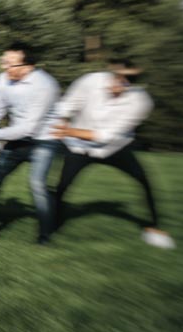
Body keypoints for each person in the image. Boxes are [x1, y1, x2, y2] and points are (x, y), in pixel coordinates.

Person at [51, 60, 174, 249]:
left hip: (115, 147)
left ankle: (154, 227)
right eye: (118, 77)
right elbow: (66, 105)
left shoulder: (141, 102)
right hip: (78, 146)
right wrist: (63, 121)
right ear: (112, 72)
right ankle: (52, 226)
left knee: (143, 180)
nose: (121, 82)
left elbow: (105, 136)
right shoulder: (90, 81)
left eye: (129, 80)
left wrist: (67, 131)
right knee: (62, 187)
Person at [0, 43, 62, 245]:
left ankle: (45, 236)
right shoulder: (3, 79)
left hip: (44, 140)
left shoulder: (45, 85)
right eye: (4, 62)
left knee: (37, 184)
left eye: (10, 64)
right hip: (17, 139)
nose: (5, 67)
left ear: (27, 66)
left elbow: (29, 128)